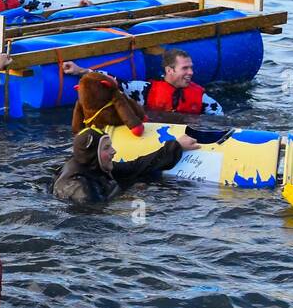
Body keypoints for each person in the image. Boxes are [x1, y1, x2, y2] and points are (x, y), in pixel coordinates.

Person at [52, 127, 199, 205]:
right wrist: (131, 192)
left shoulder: (92, 165)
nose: (113, 151)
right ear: (93, 153)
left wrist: (176, 146)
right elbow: (97, 214)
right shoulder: (80, 188)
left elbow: (135, 167)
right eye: (106, 148)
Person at [60, 49, 224, 116]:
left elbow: (219, 118)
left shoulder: (203, 99)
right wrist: (80, 70)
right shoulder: (144, 90)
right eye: (185, 68)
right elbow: (114, 82)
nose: (191, 73)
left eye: (191, 68)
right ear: (169, 70)